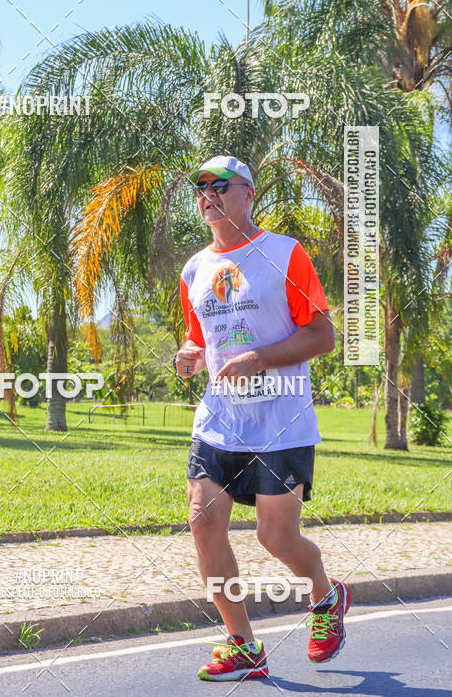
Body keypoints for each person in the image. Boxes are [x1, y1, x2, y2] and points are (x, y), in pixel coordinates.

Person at [174, 155, 350, 682]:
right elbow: (199, 339)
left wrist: (261, 358)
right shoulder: (194, 270)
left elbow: (323, 335)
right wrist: (190, 355)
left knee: (275, 539)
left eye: (219, 185)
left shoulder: (285, 254)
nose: (208, 194)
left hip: (282, 419)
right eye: (200, 187)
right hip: (219, 421)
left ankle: (325, 593)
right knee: (203, 522)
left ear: (248, 193)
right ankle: (242, 644)